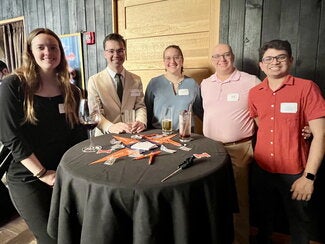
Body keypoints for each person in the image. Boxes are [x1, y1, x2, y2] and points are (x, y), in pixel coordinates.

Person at [0, 28, 87, 243]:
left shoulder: (72, 91)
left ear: (60, 52)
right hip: (28, 176)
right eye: (41, 47)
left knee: (73, 233)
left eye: (53, 47)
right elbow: (11, 136)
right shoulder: (13, 85)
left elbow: (78, 136)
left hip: (63, 173)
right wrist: (42, 173)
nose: (48, 52)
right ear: (30, 52)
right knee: (51, 238)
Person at [248, 39, 325, 243]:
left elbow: (320, 134)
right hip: (262, 169)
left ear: (290, 60)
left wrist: (308, 177)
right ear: (261, 65)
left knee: (299, 222)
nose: (275, 62)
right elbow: (262, 125)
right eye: (269, 58)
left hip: (295, 171)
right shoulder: (254, 93)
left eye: (281, 57)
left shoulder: (307, 88)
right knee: (262, 220)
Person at [200, 43, 261, 244]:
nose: (222, 60)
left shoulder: (250, 81)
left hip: (239, 148)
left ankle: (240, 241)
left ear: (233, 56)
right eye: (217, 56)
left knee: (239, 200)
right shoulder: (205, 83)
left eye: (226, 55)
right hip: (210, 150)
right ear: (212, 60)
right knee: (212, 198)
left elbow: (266, 112)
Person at [88, 33, 147, 134]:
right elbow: (94, 114)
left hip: (131, 134)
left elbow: (140, 106)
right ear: (105, 54)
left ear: (125, 53)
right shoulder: (94, 81)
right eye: (111, 51)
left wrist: (141, 122)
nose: (116, 55)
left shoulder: (136, 80)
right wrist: (111, 127)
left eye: (120, 51)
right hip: (106, 137)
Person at [145, 45, 203, 131]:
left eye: (176, 57)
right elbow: (147, 112)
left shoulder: (192, 84)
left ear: (182, 61)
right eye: (168, 58)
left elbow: (201, 111)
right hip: (159, 135)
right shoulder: (154, 83)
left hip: (185, 136)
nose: (172, 61)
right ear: (164, 62)